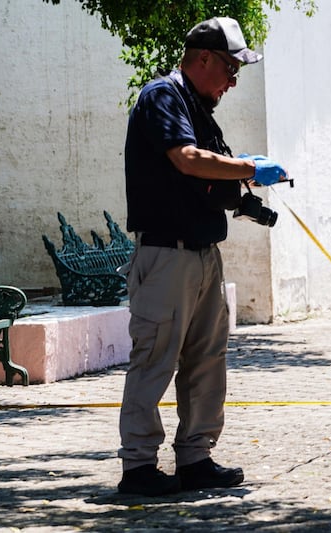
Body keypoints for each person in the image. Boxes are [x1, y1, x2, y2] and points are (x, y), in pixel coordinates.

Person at [118, 16, 288, 496]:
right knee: (155, 360)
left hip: (202, 254)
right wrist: (251, 169)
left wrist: (245, 189)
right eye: (231, 69)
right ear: (204, 58)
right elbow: (187, 160)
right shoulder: (163, 97)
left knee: (206, 360)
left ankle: (196, 457)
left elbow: (213, 184)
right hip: (165, 254)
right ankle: (138, 469)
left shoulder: (199, 109)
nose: (233, 81)